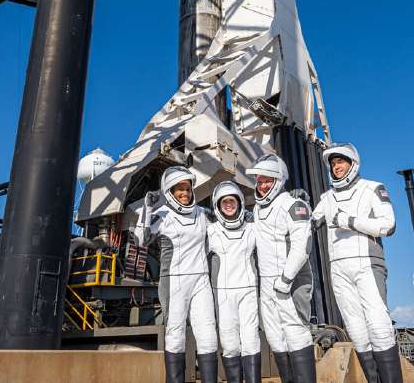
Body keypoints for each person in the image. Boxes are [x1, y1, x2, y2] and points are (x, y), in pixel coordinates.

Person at [311, 143, 400, 383]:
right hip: (339, 269)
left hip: (367, 264)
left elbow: (388, 225)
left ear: (352, 163)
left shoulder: (372, 188)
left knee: (379, 327)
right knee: (358, 333)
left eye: (341, 161)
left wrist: (349, 221)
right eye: (333, 163)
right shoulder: (327, 198)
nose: (336, 167)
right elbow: (310, 222)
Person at [134, 166, 219, 383]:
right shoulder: (162, 216)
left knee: (208, 336)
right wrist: (147, 206)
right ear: (169, 191)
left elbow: (233, 216)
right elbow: (140, 240)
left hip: (201, 281)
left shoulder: (202, 213)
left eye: (188, 188)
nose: (185, 193)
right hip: (174, 282)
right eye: (179, 189)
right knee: (175, 336)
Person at [245, 154, 317, 383]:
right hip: (267, 284)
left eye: (268, 180)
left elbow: (303, 246)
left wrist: (285, 280)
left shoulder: (294, 205)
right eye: (260, 180)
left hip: (290, 281)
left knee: (296, 333)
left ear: (279, 180)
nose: (263, 185)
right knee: (275, 338)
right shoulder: (257, 210)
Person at [207, 180, 262, 383]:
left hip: (248, 291)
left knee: (251, 341)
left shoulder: (252, 229)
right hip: (223, 294)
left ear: (239, 203)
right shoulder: (210, 231)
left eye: (233, 201)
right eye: (224, 202)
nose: (229, 205)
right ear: (218, 205)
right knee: (230, 345)